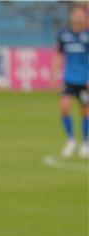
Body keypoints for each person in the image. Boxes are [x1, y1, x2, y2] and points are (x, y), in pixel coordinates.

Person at [55, 5, 89, 158]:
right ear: (71, 16)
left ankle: (85, 142)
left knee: (85, 112)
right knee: (64, 108)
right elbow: (59, 54)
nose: (78, 17)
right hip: (69, 79)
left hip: (84, 80)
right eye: (75, 14)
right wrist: (55, 71)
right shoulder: (64, 34)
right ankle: (71, 140)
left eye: (81, 14)